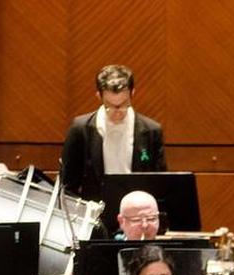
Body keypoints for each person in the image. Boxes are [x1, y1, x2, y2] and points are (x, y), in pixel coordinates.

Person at [61, 64, 166, 202]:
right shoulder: (80, 129)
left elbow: (159, 183)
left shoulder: (151, 131)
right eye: (109, 106)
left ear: (132, 93)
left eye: (123, 104)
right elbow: (68, 185)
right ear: (99, 96)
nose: (117, 112)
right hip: (93, 213)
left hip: (136, 215)